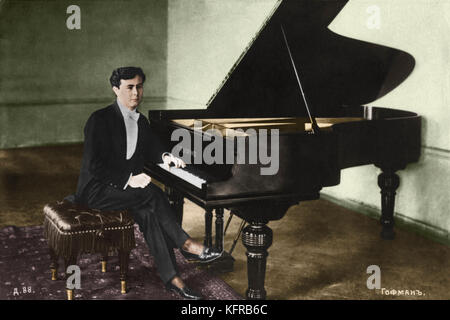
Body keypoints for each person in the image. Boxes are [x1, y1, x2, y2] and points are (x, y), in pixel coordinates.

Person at [73, 66, 222, 300]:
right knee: (152, 194)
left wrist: (165, 157)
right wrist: (129, 179)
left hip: (123, 192)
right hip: (96, 190)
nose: (135, 92)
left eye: (139, 86)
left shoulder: (141, 121)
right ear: (115, 89)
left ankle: (173, 279)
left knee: (150, 212)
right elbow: (95, 166)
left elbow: (152, 146)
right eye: (129, 87)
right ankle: (186, 244)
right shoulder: (99, 119)